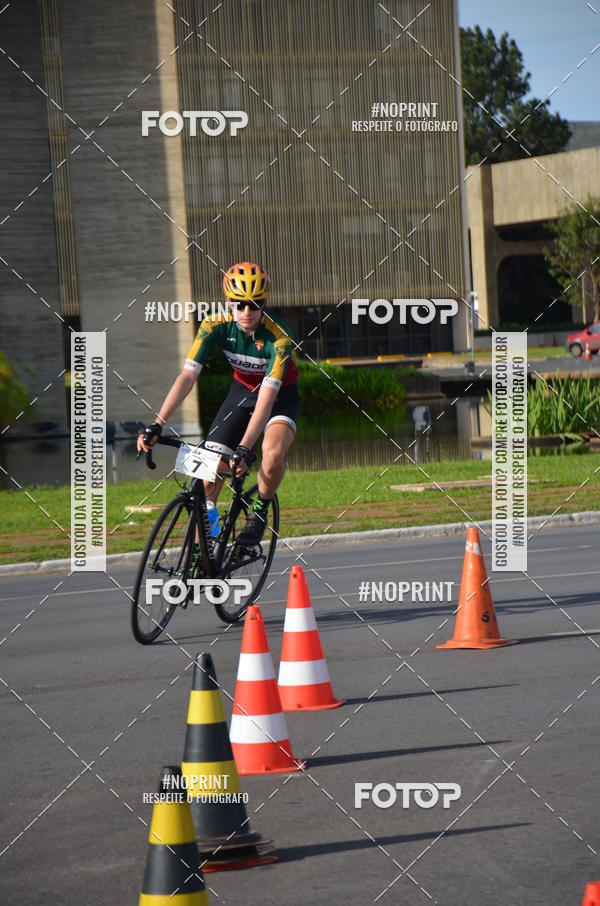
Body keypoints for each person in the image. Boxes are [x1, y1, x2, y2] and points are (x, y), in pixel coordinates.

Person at [137, 261, 299, 546]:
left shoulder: (280, 337)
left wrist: (245, 448)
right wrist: (157, 423)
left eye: (254, 304)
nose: (247, 312)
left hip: (278, 398)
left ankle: (260, 510)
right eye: (239, 305)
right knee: (207, 479)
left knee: (271, 453)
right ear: (228, 302)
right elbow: (188, 376)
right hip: (241, 392)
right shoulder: (214, 325)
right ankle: (204, 551)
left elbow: (266, 400)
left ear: (264, 304)